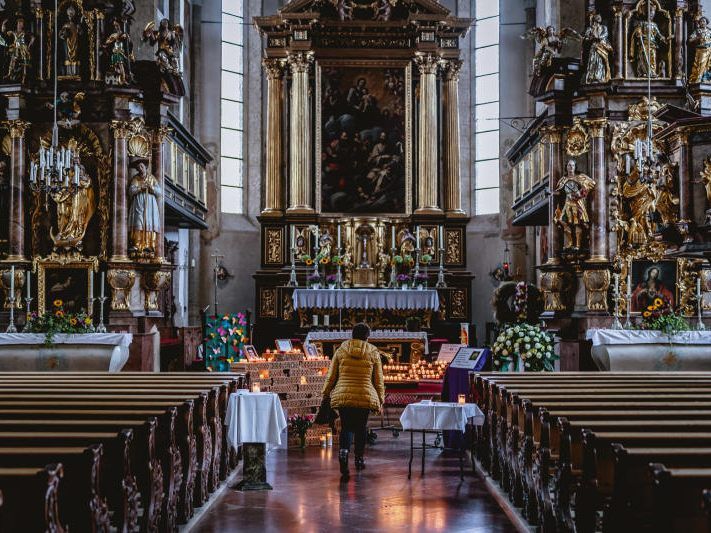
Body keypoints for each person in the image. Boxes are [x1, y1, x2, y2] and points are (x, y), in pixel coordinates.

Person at [322, 322, 384, 478]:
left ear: (352, 335)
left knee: (347, 426)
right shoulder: (373, 352)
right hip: (364, 394)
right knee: (361, 427)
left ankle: (344, 452)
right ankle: (359, 458)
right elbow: (378, 379)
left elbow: (332, 375)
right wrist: (380, 399)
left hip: (344, 394)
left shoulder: (341, 350)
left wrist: (326, 392)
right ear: (367, 337)